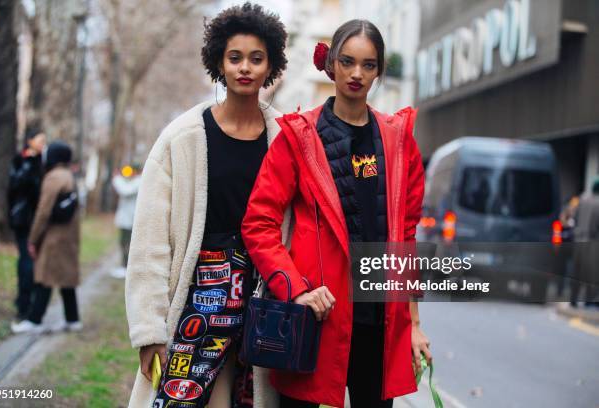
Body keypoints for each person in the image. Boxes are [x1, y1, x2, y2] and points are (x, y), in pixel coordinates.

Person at [242, 19, 431, 408]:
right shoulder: (299, 137)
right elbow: (258, 224)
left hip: (379, 325)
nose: (356, 74)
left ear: (379, 70)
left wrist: (413, 324)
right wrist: (296, 290)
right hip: (316, 320)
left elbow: (406, 237)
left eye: (368, 65)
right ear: (331, 65)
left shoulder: (398, 141)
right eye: (347, 61)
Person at [124, 3, 288, 407]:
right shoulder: (181, 140)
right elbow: (149, 242)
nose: (245, 68)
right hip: (199, 300)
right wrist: (149, 332)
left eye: (256, 58)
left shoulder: (286, 138)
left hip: (261, 298)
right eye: (235, 58)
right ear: (219, 62)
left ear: (271, 66)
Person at [11, 141, 82, 334]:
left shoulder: (53, 177)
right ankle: (73, 319)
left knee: (45, 277)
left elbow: (43, 211)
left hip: (55, 237)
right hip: (69, 236)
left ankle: (35, 320)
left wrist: (33, 239)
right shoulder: (68, 175)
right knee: (66, 278)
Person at [7, 128, 46, 321]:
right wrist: (29, 163)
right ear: (30, 141)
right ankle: (23, 304)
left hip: (38, 221)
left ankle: (31, 304)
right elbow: (17, 186)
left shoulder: (43, 161)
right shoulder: (20, 160)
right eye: (40, 140)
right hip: (23, 220)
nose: (42, 144)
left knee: (35, 262)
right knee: (27, 262)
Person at [571, 177, 599, 308]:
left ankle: (573, 299)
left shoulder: (582, 199)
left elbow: (575, 219)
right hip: (592, 242)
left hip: (578, 240)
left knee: (576, 271)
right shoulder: (597, 203)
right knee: (591, 273)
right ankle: (589, 300)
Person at [111, 164, 142, 278]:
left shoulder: (140, 181)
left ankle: (127, 268)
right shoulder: (134, 181)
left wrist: (116, 178)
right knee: (123, 243)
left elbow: (125, 190)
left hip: (131, 220)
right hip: (127, 220)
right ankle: (124, 266)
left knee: (128, 244)